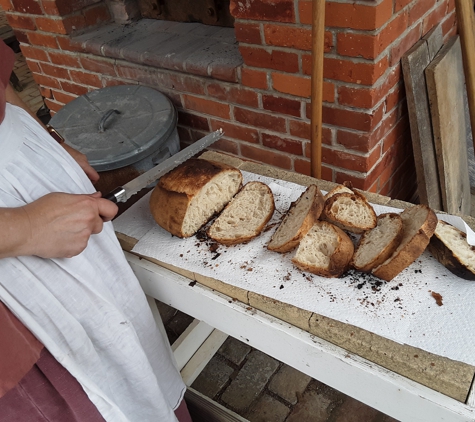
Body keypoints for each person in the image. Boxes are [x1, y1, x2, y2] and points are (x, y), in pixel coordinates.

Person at [0, 40, 192, 421]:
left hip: (43, 196)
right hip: (16, 270)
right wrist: (23, 227)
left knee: (130, 352)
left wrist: (51, 142)